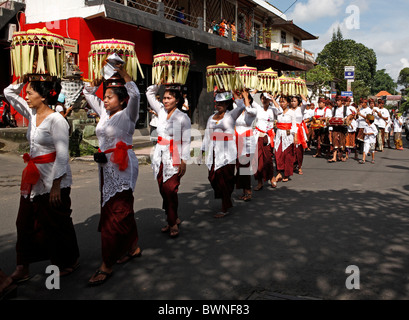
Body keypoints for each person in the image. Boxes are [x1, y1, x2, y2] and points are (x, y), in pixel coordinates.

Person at [4, 76, 80, 283]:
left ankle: (68, 261)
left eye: (30, 92)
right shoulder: (31, 112)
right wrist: (24, 77)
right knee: (24, 221)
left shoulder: (57, 120)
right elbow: (9, 93)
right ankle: (23, 266)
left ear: (44, 96)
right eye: (26, 92)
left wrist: (56, 185)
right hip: (33, 178)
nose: (26, 96)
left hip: (54, 180)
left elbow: (63, 155)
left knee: (56, 223)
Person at [83, 65, 141, 286]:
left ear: (122, 99)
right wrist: (100, 77)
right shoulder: (104, 114)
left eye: (109, 97)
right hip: (106, 167)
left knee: (115, 214)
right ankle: (133, 247)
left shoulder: (129, 114)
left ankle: (107, 264)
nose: (104, 100)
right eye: (104, 97)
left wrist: (124, 72)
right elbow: (88, 93)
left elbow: (135, 93)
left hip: (123, 166)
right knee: (119, 209)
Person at [146, 83, 191, 237]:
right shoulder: (160, 111)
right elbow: (149, 94)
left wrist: (184, 160)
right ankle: (173, 217)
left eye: (169, 98)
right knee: (162, 189)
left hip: (175, 154)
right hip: (160, 154)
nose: (165, 101)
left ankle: (172, 223)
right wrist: (158, 83)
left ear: (177, 100)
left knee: (170, 189)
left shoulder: (183, 117)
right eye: (164, 98)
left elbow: (186, 141)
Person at [201, 90, 247, 218]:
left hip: (228, 154)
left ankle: (224, 206)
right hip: (214, 152)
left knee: (224, 181)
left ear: (227, 104)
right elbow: (207, 134)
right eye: (217, 103)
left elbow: (242, 106)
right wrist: (202, 151)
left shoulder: (231, 115)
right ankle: (227, 195)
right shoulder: (211, 118)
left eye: (222, 103)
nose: (219, 105)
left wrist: (234, 92)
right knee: (212, 178)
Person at [253, 92, 281, 190]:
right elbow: (249, 99)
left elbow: (280, 111)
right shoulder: (257, 108)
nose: (264, 100)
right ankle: (260, 182)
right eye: (262, 98)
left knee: (268, 159)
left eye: (266, 99)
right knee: (258, 160)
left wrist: (273, 99)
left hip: (269, 137)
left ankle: (271, 177)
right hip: (258, 136)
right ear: (260, 99)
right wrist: (255, 90)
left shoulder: (272, 109)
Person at [234, 90, 257, 202]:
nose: (242, 101)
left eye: (245, 99)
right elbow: (237, 102)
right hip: (236, 140)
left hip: (247, 142)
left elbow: (248, 109)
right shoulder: (237, 111)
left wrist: (246, 96)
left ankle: (248, 191)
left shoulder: (252, 111)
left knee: (245, 167)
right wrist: (233, 90)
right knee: (239, 166)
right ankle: (244, 190)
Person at [272, 95, 296, 185]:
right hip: (279, 135)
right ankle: (279, 172)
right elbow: (274, 106)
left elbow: (294, 125)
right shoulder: (278, 112)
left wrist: (295, 137)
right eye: (281, 102)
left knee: (287, 155)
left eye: (284, 101)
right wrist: (273, 99)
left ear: (288, 103)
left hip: (288, 136)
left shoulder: (291, 112)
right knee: (278, 154)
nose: (282, 104)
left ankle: (286, 174)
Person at [290, 95, 308, 174]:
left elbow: (305, 101)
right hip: (290, 130)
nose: (293, 103)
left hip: (299, 131)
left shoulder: (301, 109)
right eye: (292, 101)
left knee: (299, 150)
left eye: (295, 101)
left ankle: (299, 166)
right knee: (291, 149)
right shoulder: (288, 110)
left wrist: (300, 91)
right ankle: (293, 164)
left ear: (298, 102)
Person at [328, 96, 348, 163]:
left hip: (342, 127)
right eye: (336, 101)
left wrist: (345, 119)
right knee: (335, 140)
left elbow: (350, 115)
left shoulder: (345, 108)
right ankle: (334, 157)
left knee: (341, 142)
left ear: (342, 101)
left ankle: (341, 156)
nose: (337, 102)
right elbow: (331, 117)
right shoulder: (334, 109)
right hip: (335, 127)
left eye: (338, 101)